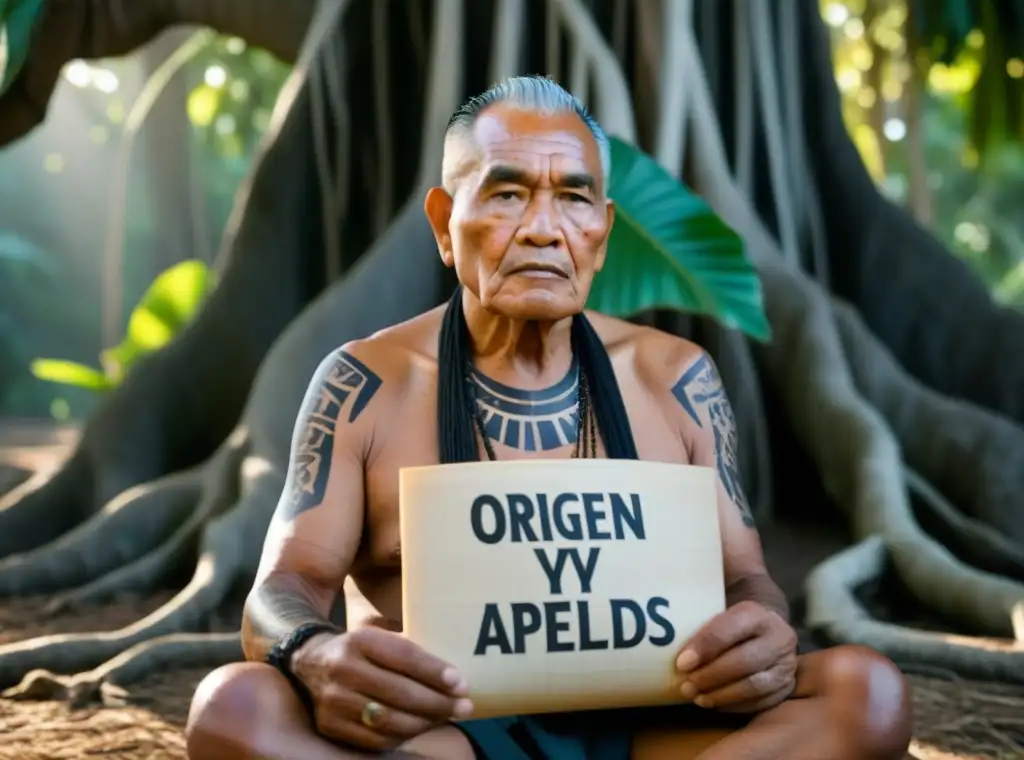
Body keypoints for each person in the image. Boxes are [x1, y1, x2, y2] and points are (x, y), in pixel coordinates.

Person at [184, 76, 912, 760]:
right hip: (447, 734)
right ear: (445, 223)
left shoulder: (677, 379)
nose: (542, 228)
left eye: (572, 197)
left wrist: (764, 634)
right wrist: (313, 653)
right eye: (506, 194)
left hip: (649, 727)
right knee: (234, 710)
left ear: (603, 227)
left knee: (864, 694)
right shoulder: (367, 384)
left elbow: (747, 579)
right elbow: (285, 589)